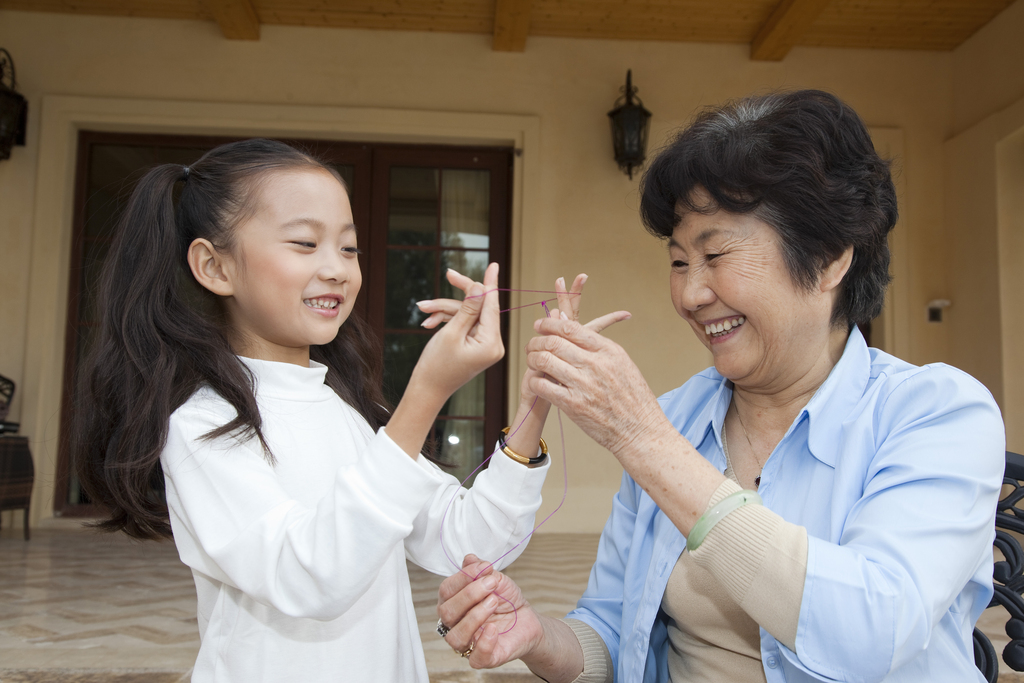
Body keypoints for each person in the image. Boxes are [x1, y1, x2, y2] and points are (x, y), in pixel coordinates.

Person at [435, 90, 1005, 682]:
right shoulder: (676, 418)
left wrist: (642, 439)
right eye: (680, 262)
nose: (689, 294)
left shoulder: (938, 414)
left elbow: (871, 634)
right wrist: (536, 635)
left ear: (832, 258)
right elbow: (610, 633)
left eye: (717, 254)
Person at [71, 138, 619, 683]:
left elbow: (466, 541)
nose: (337, 269)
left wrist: (535, 404)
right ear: (214, 267)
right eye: (305, 243)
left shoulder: (351, 405)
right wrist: (426, 394)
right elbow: (312, 575)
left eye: (350, 248)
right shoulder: (202, 424)